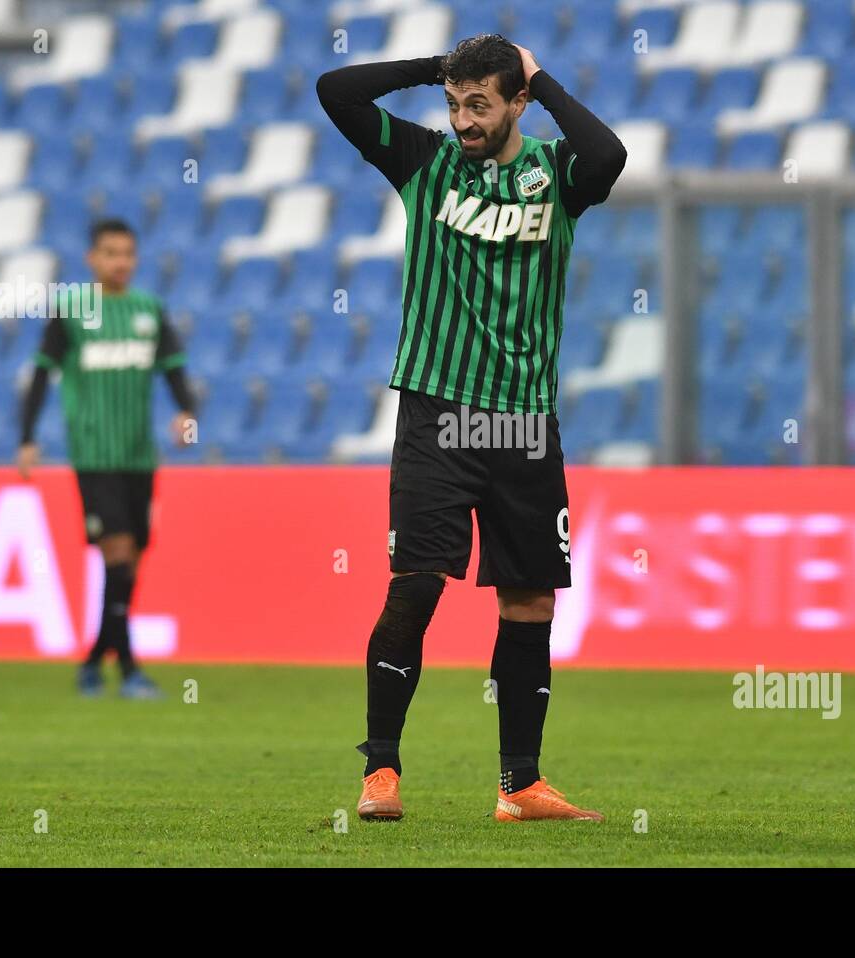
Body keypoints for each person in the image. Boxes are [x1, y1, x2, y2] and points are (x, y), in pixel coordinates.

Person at [318, 35, 627, 821]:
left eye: (480, 105)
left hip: (523, 422)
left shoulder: (558, 175)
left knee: (529, 603)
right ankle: (380, 771)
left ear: (517, 102)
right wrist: (434, 70)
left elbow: (609, 152)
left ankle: (519, 785)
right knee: (417, 586)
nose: (463, 121)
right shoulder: (422, 162)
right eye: (454, 105)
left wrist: (541, 76)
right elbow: (336, 91)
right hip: (437, 410)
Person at [18, 218, 196, 699]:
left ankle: (95, 659)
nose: (121, 262)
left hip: (140, 455)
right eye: (111, 253)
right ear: (92, 259)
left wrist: (186, 414)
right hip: (94, 454)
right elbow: (40, 374)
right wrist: (27, 437)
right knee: (117, 552)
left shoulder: (149, 310)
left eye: (127, 253)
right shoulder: (72, 311)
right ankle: (131, 669)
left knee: (131, 561)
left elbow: (177, 372)